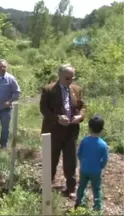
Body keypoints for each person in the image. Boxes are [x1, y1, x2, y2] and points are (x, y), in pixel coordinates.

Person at [40, 63, 87, 198]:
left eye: (72, 77)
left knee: (71, 160)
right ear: (59, 75)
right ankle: (47, 186)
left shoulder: (76, 89)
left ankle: (71, 188)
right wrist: (57, 118)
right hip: (53, 131)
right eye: (67, 78)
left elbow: (82, 105)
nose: (70, 80)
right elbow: (44, 109)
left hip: (71, 131)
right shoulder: (49, 90)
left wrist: (80, 116)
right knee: (51, 159)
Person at [75, 115, 109, 212]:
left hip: (84, 169)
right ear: (102, 130)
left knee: (82, 186)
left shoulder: (84, 141)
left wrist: (83, 163)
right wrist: (100, 167)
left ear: (89, 128)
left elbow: (79, 154)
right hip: (96, 171)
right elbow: (105, 159)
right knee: (97, 189)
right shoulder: (103, 144)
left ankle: (79, 203)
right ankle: (97, 207)